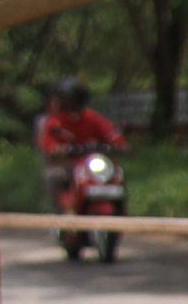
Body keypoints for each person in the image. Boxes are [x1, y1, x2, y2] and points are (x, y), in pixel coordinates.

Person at [36, 79, 124, 208]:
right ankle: (64, 214)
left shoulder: (92, 117)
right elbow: (47, 143)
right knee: (54, 177)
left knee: (118, 174)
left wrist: (120, 145)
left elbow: (112, 134)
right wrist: (57, 149)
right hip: (68, 163)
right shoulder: (56, 121)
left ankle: (121, 213)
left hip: (93, 162)